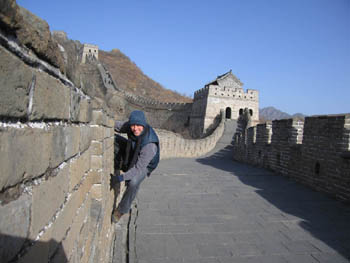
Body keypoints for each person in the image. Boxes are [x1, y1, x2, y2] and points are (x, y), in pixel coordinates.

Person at [112, 110, 160, 223]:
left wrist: (120, 178)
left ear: (144, 125)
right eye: (133, 125)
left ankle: (122, 210)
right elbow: (116, 125)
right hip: (134, 150)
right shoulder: (130, 127)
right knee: (114, 139)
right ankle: (119, 163)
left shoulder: (150, 145)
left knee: (133, 182)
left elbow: (138, 168)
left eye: (139, 125)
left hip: (146, 165)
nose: (135, 128)